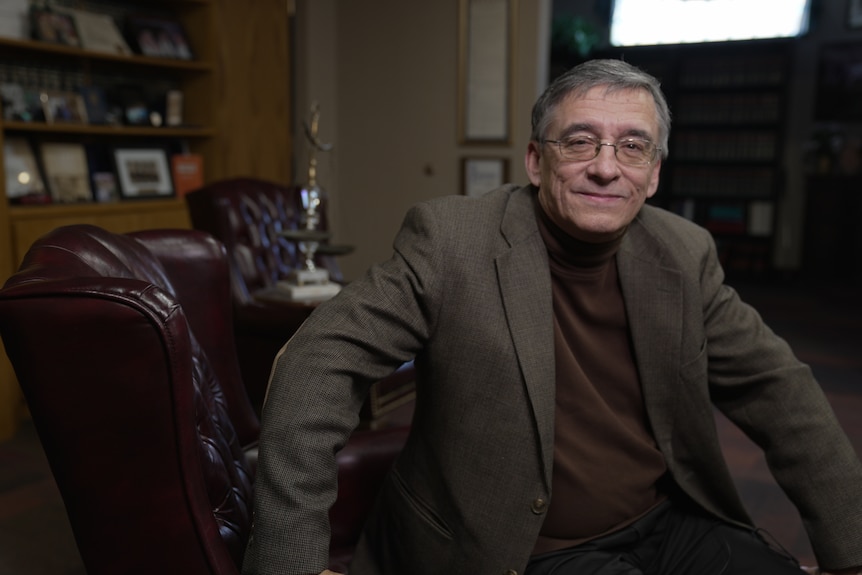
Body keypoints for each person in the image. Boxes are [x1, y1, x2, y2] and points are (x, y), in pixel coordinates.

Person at [242, 59, 862, 575]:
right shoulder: (453, 240)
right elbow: (317, 362)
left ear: (652, 175)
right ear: (537, 161)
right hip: (524, 549)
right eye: (581, 141)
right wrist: (289, 565)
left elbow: (778, 390)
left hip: (667, 519)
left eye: (632, 146)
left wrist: (850, 554)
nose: (605, 165)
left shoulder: (684, 252)